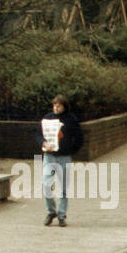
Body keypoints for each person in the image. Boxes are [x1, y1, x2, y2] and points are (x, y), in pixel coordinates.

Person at [38, 95, 83, 226]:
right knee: (46, 185)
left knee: (63, 188)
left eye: (59, 105)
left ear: (64, 106)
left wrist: (71, 150)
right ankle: (51, 212)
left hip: (64, 157)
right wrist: (43, 143)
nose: (56, 107)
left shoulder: (71, 119)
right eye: (54, 105)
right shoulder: (47, 118)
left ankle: (62, 215)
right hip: (49, 156)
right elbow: (38, 134)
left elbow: (79, 137)